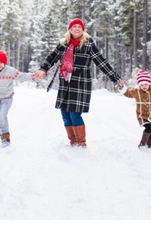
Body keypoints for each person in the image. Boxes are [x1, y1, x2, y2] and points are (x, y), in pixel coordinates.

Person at [35, 18, 124, 147]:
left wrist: (115, 78)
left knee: (74, 113)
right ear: (70, 29)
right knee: (65, 113)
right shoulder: (63, 44)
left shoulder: (88, 44)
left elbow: (101, 62)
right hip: (65, 81)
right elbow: (51, 57)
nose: (77, 28)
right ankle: (73, 141)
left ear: (83, 30)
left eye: (79, 27)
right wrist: (43, 69)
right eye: (74, 26)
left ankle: (81, 143)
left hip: (80, 82)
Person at [121, 69, 151, 149]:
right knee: (149, 128)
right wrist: (122, 87)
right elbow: (128, 93)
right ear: (139, 85)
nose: (144, 86)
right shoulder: (137, 91)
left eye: (145, 84)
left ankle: (148, 147)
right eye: (141, 85)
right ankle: (142, 145)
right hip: (142, 115)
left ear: (149, 84)